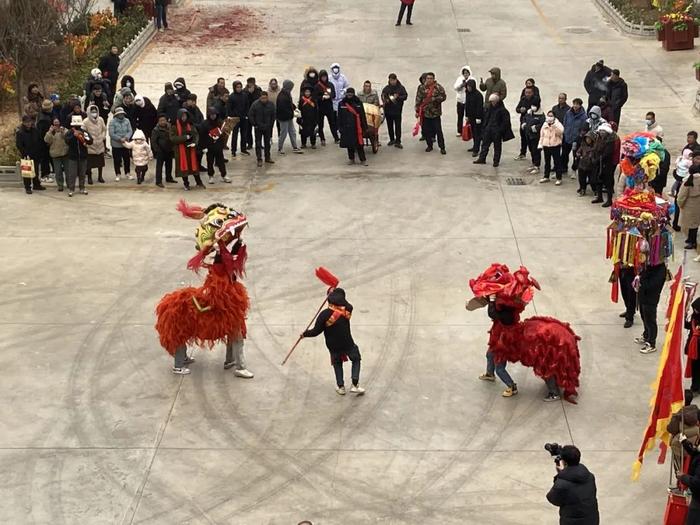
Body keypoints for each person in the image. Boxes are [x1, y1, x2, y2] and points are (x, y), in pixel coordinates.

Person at [301, 288, 365, 396]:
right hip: (347, 342)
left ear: (328, 299)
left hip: (333, 346)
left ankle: (341, 387)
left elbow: (316, 331)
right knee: (356, 358)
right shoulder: (346, 311)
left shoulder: (324, 315)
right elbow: (348, 304)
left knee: (337, 363)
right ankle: (354, 384)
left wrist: (304, 334)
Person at [546, 445, 600, 525]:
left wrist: (560, 475)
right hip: (592, 520)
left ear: (564, 462)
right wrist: (563, 474)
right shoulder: (590, 477)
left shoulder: (562, 484)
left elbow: (552, 498)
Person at [478, 296, 518, 397]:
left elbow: (492, 313)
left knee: (499, 368)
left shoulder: (506, 315)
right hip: (497, 340)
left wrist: (491, 300)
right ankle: (490, 374)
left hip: (502, 344)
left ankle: (512, 387)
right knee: (489, 355)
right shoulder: (509, 307)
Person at [636, 261, 668, 354]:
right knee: (644, 316)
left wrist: (641, 280)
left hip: (651, 298)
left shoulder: (661, 269)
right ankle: (646, 335)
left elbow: (653, 284)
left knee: (650, 320)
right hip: (643, 295)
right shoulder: (649, 264)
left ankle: (651, 343)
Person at [474, 94, 511, 167]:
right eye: (491, 102)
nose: (492, 103)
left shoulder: (503, 110)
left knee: (497, 147)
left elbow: (505, 122)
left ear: (497, 101)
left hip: (496, 131)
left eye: (493, 102)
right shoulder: (489, 109)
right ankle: (482, 158)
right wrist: (484, 128)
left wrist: (500, 130)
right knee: (484, 145)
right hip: (488, 130)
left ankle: (496, 161)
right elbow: (486, 118)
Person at [170, 108, 203, 189]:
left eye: (185, 116)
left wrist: (195, 143)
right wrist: (185, 137)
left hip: (190, 150)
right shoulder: (174, 126)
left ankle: (199, 182)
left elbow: (195, 135)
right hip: (181, 151)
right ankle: (186, 183)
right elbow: (173, 138)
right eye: (182, 116)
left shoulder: (190, 125)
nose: (184, 118)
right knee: (184, 169)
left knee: (194, 167)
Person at [415, 72, 447, 154]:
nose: (429, 80)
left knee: (438, 131)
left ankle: (442, 147)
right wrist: (417, 110)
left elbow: (443, 97)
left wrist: (435, 99)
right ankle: (429, 145)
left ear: (433, 79)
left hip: (435, 113)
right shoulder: (421, 87)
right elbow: (418, 99)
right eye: (427, 78)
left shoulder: (438, 87)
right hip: (425, 113)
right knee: (426, 131)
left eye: (431, 78)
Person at [15, 115, 47, 194]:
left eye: (30, 122)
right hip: (26, 155)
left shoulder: (35, 130)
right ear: (23, 123)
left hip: (36, 154)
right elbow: (19, 145)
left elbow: (39, 141)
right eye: (27, 122)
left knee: (36, 170)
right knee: (27, 172)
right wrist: (25, 153)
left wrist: (40, 151)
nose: (29, 124)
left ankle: (36, 185)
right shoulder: (20, 132)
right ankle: (28, 187)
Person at [199, 107, 232, 184]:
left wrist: (226, 130)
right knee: (210, 162)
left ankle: (224, 175)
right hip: (209, 146)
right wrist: (203, 147)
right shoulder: (204, 124)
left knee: (221, 162)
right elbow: (202, 136)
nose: (213, 116)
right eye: (211, 115)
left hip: (218, 146)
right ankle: (211, 176)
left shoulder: (220, 122)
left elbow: (224, 133)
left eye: (214, 114)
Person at [64, 115, 93, 197]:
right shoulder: (69, 133)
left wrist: (82, 136)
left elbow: (90, 141)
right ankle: (71, 189)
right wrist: (74, 136)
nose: (77, 126)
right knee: (72, 174)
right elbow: (67, 141)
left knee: (82, 173)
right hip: (72, 157)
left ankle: (82, 188)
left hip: (83, 156)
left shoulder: (84, 132)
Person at [338, 87, 368, 165]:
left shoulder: (358, 103)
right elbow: (339, 117)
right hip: (347, 127)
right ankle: (351, 159)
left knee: (359, 145)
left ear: (353, 94)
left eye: (351, 93)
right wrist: (340, 128)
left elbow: (362, 115)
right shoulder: (342, 104)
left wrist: (365, 127)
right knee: (349, 144)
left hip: (357, 127)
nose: (349, 94)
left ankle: (363, 160)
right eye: (348, 93)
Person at [248, 91, 276, 167]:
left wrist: (271, 125)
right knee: (258, 144)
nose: (264, 99)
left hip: (267, 127)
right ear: (260, 98)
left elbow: (273, 115)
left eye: (265, 98)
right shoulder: (255, 104)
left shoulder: (271, 104)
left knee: (267, 143)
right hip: (258, 127)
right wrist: (254, 124)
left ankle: (267, 157)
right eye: (262, 98)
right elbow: (250, 115)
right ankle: (259, 159)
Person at [515, 85, 542, 161]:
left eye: (529, 93)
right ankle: (522, 153)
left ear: (532, 93)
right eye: (526, 92)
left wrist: (527, 110)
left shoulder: (536, 99)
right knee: (523, 138)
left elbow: (536, 109)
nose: (527, 94)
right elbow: (517, 109)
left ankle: (535, 160)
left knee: (533, 142)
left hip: (533, 122)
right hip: (524, 121)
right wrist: (520, 110)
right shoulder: (523, 99)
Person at [275, 80, 303, 154]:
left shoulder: (287, 94)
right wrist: (293, 113)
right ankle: (280, 148)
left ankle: (295, 147)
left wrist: (294, 108)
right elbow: (283, 109)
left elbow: (290, 103)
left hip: (289, 117)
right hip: (283, 118)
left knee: (292, 131)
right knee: (283, 133)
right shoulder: (282, 96)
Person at [381, 73, 408, 148]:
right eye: (390, 80)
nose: (392, 82)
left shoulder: (401, 88)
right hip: (388, 111)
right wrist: (386, 100)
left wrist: (398, 97)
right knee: (390, 126)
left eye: (393, 80)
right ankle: (392, 139)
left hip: (397, 111)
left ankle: (398, 141)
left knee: (398, 126)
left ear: (396, 80)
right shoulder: (386, 88)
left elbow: (405, 96)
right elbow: (383, 96)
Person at [538, 110, 564, 185]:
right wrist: (540, 144)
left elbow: (560, 133)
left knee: (557, 162)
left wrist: (554, 126)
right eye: (548, 115)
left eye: (551, 116)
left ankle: (559, 178)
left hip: (555, 145)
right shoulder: (544, 124)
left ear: (554, 117)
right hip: (546, 146)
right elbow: (542, 135)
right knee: (547, 162)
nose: (549, 117)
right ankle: (546, 176)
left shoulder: (558, 124)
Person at [562, 98, 587, 176]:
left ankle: (574, 170)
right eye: (574, 104)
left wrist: (579, 137)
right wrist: (565, 132)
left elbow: (584, 128)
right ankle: (564, 169)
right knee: (564, 154)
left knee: (576, 156)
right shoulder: (568, 113)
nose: (575, 106)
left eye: (577, 104)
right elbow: (565, 122)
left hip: (576, 140)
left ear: (580, 105)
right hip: (567, 137)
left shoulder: (583, 116)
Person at [83, 104, 107, 184]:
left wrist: (103, 137)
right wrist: (88, 141)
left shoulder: (100, 119)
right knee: (89, 164)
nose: (94, 113)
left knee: (100, 163)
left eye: (95, 112)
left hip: (100, 144)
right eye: (92, 112)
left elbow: (104, 129)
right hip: (90, 146)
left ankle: (100, 176)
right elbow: (84, 132)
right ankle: (89, 177)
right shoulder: (85, 121)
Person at [314, 69, 338, 145]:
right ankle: (322, 139)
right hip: (320, 107)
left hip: (329, 107)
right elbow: (315, 97)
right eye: (322, 77)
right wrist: (322, 97)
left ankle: (336, 138)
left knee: (332, 123)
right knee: (320, 124)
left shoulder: (330, 84)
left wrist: (329, 96)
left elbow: (334, 95)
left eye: (325, 77)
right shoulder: (317, 86)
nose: (324, 78)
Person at [44, 118, 69, 192]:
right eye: (55, 123)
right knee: (58, 172)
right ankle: (60, 185)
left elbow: (68, 138)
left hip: (65, 153)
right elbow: (46, 140)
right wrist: (50, 132)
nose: (56, 124)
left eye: (57, 122)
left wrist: (63, 133)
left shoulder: (64, 129)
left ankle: (69, 184)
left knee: (68, 171)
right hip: (55, 155)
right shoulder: (50, 132)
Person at [108, 107, 133, 181]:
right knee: (117, 160)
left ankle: (127, 173)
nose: (121, 115)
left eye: (122, 114)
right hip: (116, 144)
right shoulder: (112, 122)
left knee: (127, 159)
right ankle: (118, 174)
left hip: (125, 143)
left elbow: (130, 130)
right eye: (119, 114)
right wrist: (119, 139)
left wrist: (126, 137)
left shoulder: (127, 121)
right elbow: (111, 133)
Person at [679, 166, 700, 251]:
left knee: (690, 225)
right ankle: (691, 240)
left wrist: (680, 204)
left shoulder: (688, 181)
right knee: (695, 224)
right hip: (698, 205)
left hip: (689, 206)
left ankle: (692, 241)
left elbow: (681, 196)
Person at [151, 115, 175, 187]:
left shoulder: (170, 127)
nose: (163, 122)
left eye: (164, 120)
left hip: (169, 149)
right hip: (160, 150)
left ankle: (169, 177)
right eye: (161, 120)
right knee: (159, 167)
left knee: (169, 165)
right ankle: (158, 181)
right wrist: (157, 150)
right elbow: (153, 141)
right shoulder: (156, 130)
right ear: (158, 122)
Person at [227, 80, 250, 156]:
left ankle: (243, 149)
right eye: (237, 87)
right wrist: (234, 115)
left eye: (240, 87)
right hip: (235, 119)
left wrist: (246, 114)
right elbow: (229, 109)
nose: (239, 89)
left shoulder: (244, 95)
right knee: (235, 135)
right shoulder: (231, 97)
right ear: (234, 88)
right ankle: (233, 150)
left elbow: (247, 105)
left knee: (244, 134)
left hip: (243, 118)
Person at [464, 79, 484, 156]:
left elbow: (479, 107)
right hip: (471, 117)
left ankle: (476, 149)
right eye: (467, 86)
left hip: (477, 117)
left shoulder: (478, 95)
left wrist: (478, 117)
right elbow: (467, 105)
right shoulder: (468, 93)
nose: (468, 88)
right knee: (473, 132)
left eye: (470, 87)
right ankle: (474, 146)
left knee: (477, 133)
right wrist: (466, 115)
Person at [575, 132, 599, 196]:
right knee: (582, 179)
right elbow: (578, 152)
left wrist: (592, 159)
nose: (588, 140)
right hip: (582, 165)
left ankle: (595, 190)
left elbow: (596, 157)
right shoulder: (583, 145)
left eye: (589, 139)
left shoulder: (595, 147)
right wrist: (578, 155)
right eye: (587, 139)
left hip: (591, 166)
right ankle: (583, 189)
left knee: (592, 180)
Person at [36, 99, 54, 181]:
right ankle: (44, 175)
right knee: (45, 158)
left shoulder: (43, 114)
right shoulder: (44, 119)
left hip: (44, 140)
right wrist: (47, 141)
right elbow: (42, 132)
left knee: (46, 158)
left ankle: (47, 173)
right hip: (44, 141)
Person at [524, 105, 545, 174]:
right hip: (528, 135)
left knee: (536, 151)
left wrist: (535, 128)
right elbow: (524, 118)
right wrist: (524, 124)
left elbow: (542, 124)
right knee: (531, 150)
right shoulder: (529, 112)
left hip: (536, 136)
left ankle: (537, 166)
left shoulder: (541, 115)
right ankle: (533, 163)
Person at [453, 65, 473, 136]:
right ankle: (459, 130)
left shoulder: (472, 79)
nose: (465, 74)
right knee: (460, 116)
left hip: (468, 101)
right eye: (464, 73)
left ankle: (470, 130)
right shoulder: (459, 79)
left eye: (467, 73)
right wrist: (461, 85)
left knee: (469, 116)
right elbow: (455, 88)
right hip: (460, 101)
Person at [244, 77, 263, 149]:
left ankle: (259, 144)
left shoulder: (258, 89)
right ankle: (249, 144)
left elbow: (260, 98)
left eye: (253, 83)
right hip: (248, 112)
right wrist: (249, 93)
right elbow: (245, 101)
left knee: (258, 130)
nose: (252, 84)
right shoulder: (245, 91)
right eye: (250, 83)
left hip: (257, 113)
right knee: (248, 130)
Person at [686, 298, 700, 393]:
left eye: (696, 309)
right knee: (695, 369)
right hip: (694, 349)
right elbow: (689, 326)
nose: (694, 311)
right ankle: (695, 387)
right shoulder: (695, 317)